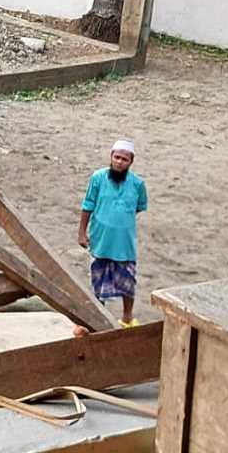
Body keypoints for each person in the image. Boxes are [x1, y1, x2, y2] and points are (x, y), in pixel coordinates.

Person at [78, 139, 148, 325]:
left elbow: (139, 207)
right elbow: (87, 206)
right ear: (110, 157)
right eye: (116, 157)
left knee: (127, 281)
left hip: (124, 244)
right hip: (101, 241)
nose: (119, 162)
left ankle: (127, 316)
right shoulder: (98, 178)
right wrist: (82, 232)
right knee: (98, 281)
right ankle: (98, 317)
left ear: (131, 162)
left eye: (124, 159)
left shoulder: (138, 184)